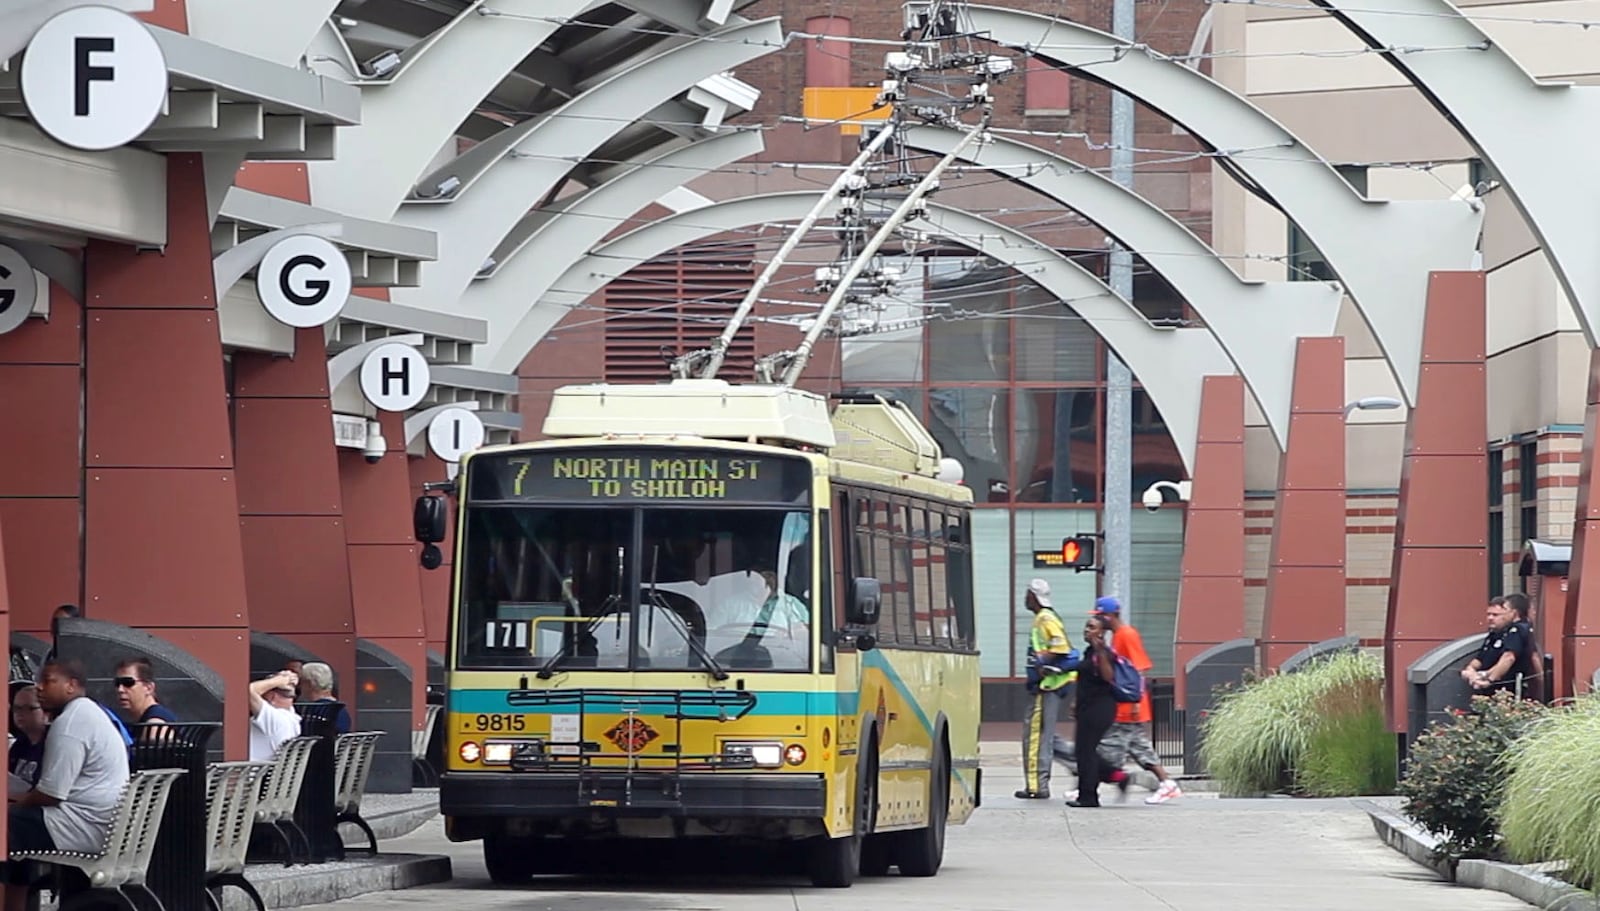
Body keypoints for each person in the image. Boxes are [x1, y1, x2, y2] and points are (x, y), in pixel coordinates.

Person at [3, 659, 130, 911]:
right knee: (13, 826)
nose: (39, 687)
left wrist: (14, 803)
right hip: (102, 824)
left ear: (71, 685)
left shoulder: (70, 723)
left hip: (83, 828)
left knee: (6, 824)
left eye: (48, 681)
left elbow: (50, 795)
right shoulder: (90, 713)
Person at [1094, 597, 1183, 805]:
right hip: (1126, 704)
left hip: (1128, 705)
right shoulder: (1118, 636)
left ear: (1109, 615)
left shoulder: (1126, 635)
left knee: (1107, 750)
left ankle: (1089, 786)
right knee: (1139, 749)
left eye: (1099, 615)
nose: (1098, 620)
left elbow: (1138, 668)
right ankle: (1167, 784)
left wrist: (1135, 701)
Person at [1015, 579, 1079, 799]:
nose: (1025, 598)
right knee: (1045, 736)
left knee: (1035, 737)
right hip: (1050, 686)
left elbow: (1060, 645)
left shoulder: (1044, 618)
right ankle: (1046, 780)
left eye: (1027, 594)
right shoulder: (1047, 617)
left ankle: (1036, 785)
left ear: (1034, 596)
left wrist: (1044, 659)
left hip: (1045, 687)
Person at [1067, 613, 1127, 808]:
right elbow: (1086, 679)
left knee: (1085, 753)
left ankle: (1088, 796)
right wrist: (1076, 701)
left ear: (1102, 632)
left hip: (1099, 709)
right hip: (1087, 708)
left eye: (1092, 627)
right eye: (1087, 626)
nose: (1087, 630)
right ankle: (1116, 775)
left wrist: (1100, 651)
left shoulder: (1103, 653)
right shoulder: (1088, 652)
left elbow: (1108, 676)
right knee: (1083, 751)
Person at [1460, 595, 1537, 698]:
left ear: (1513, 613)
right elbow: (1480, 659)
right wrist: (1470, 671)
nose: (1490, 618)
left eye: (1495, 615)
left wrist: (1488, 679)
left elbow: (1508, 658)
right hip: (1489, 692)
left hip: (1507, 691)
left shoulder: (1517, 630)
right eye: (1488, 614)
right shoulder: (1494, 634)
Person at [248, 670, 302, 761]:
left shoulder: (274, 717)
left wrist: (277, 681)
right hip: (268, 772)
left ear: (271, 697)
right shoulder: (292, 718)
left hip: (251, 773)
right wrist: (289, 680)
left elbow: (247, 691)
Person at [113, 657, 179, 728]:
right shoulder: (150, 719)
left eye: (128, 682)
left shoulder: (155, 723)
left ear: (148, 688)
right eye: (117, 683)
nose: (120, 689)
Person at [8, 683, 47, 788]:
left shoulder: (53, 743)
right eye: (17, 708)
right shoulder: (20, 744)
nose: (20, 713)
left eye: (30, 708)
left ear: (46, 712)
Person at [297, 663, 351, 734]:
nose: (299, 686)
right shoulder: (340, 709)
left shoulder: (312, 711)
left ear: (309, 684)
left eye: (301, 681)